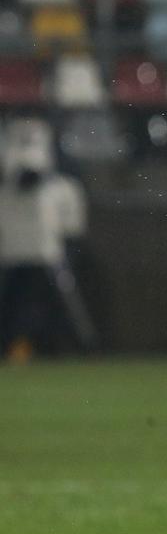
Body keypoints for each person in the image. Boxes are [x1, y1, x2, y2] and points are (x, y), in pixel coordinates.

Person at [0, 117, 94, 359]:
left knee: (55, 302)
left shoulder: (61, 190)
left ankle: (80, 348)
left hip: (48, 254)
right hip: (11, 256)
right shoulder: (7, 193)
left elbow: (73, 230)